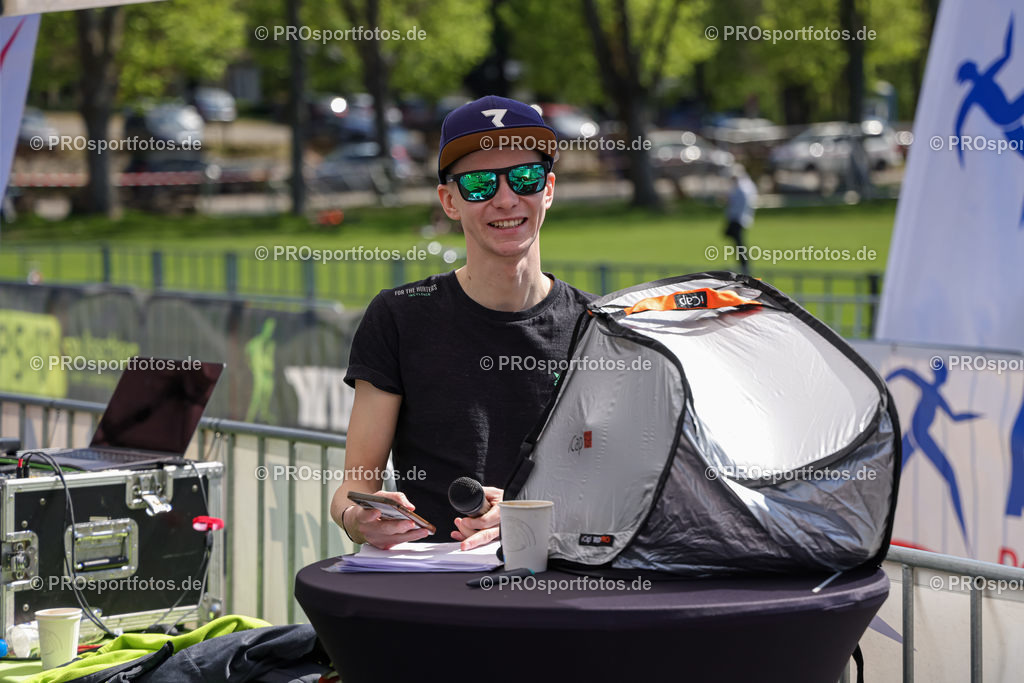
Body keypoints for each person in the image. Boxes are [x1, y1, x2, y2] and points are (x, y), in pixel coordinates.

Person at [330, 96, 593, 551]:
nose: (506, 198)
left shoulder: (598, 328)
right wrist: (359, 519)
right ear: (448, 201)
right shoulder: (398, 316)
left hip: (560, 579)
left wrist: (526, 518)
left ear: (548, 189)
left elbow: (621, 488)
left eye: (525, 177)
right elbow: (354, 486)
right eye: (478, 184)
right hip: (433, 580)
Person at [723, 165, 757, 276]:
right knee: (737, 243)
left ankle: (744, 266)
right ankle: (742, 265)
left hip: (738, 219)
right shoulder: (745, 185)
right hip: (739, 218)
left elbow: (738, 204)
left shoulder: (742, 187)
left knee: (739, 245)